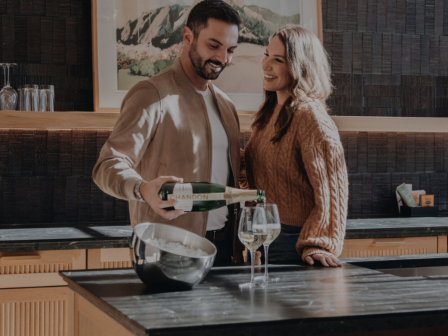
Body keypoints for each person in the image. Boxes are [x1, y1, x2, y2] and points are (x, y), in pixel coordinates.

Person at [93, 0, 243, 266]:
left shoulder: (227, 107)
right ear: (188, 36)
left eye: (230, 49)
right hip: (166, 250)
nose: (222, 58)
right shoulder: (151, 94)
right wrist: (142, 189)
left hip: (225, 252)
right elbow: (107, 165)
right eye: (213, 45)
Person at [240, 26, 349, 267]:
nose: (265, 65)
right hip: (264, 234)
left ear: (300, 67)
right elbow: (259, 170)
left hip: (295, 242)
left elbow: (332, 191)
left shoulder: (310, 117)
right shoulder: (269, 112)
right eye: (266, 54)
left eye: (277, 60)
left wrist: (318, 243)